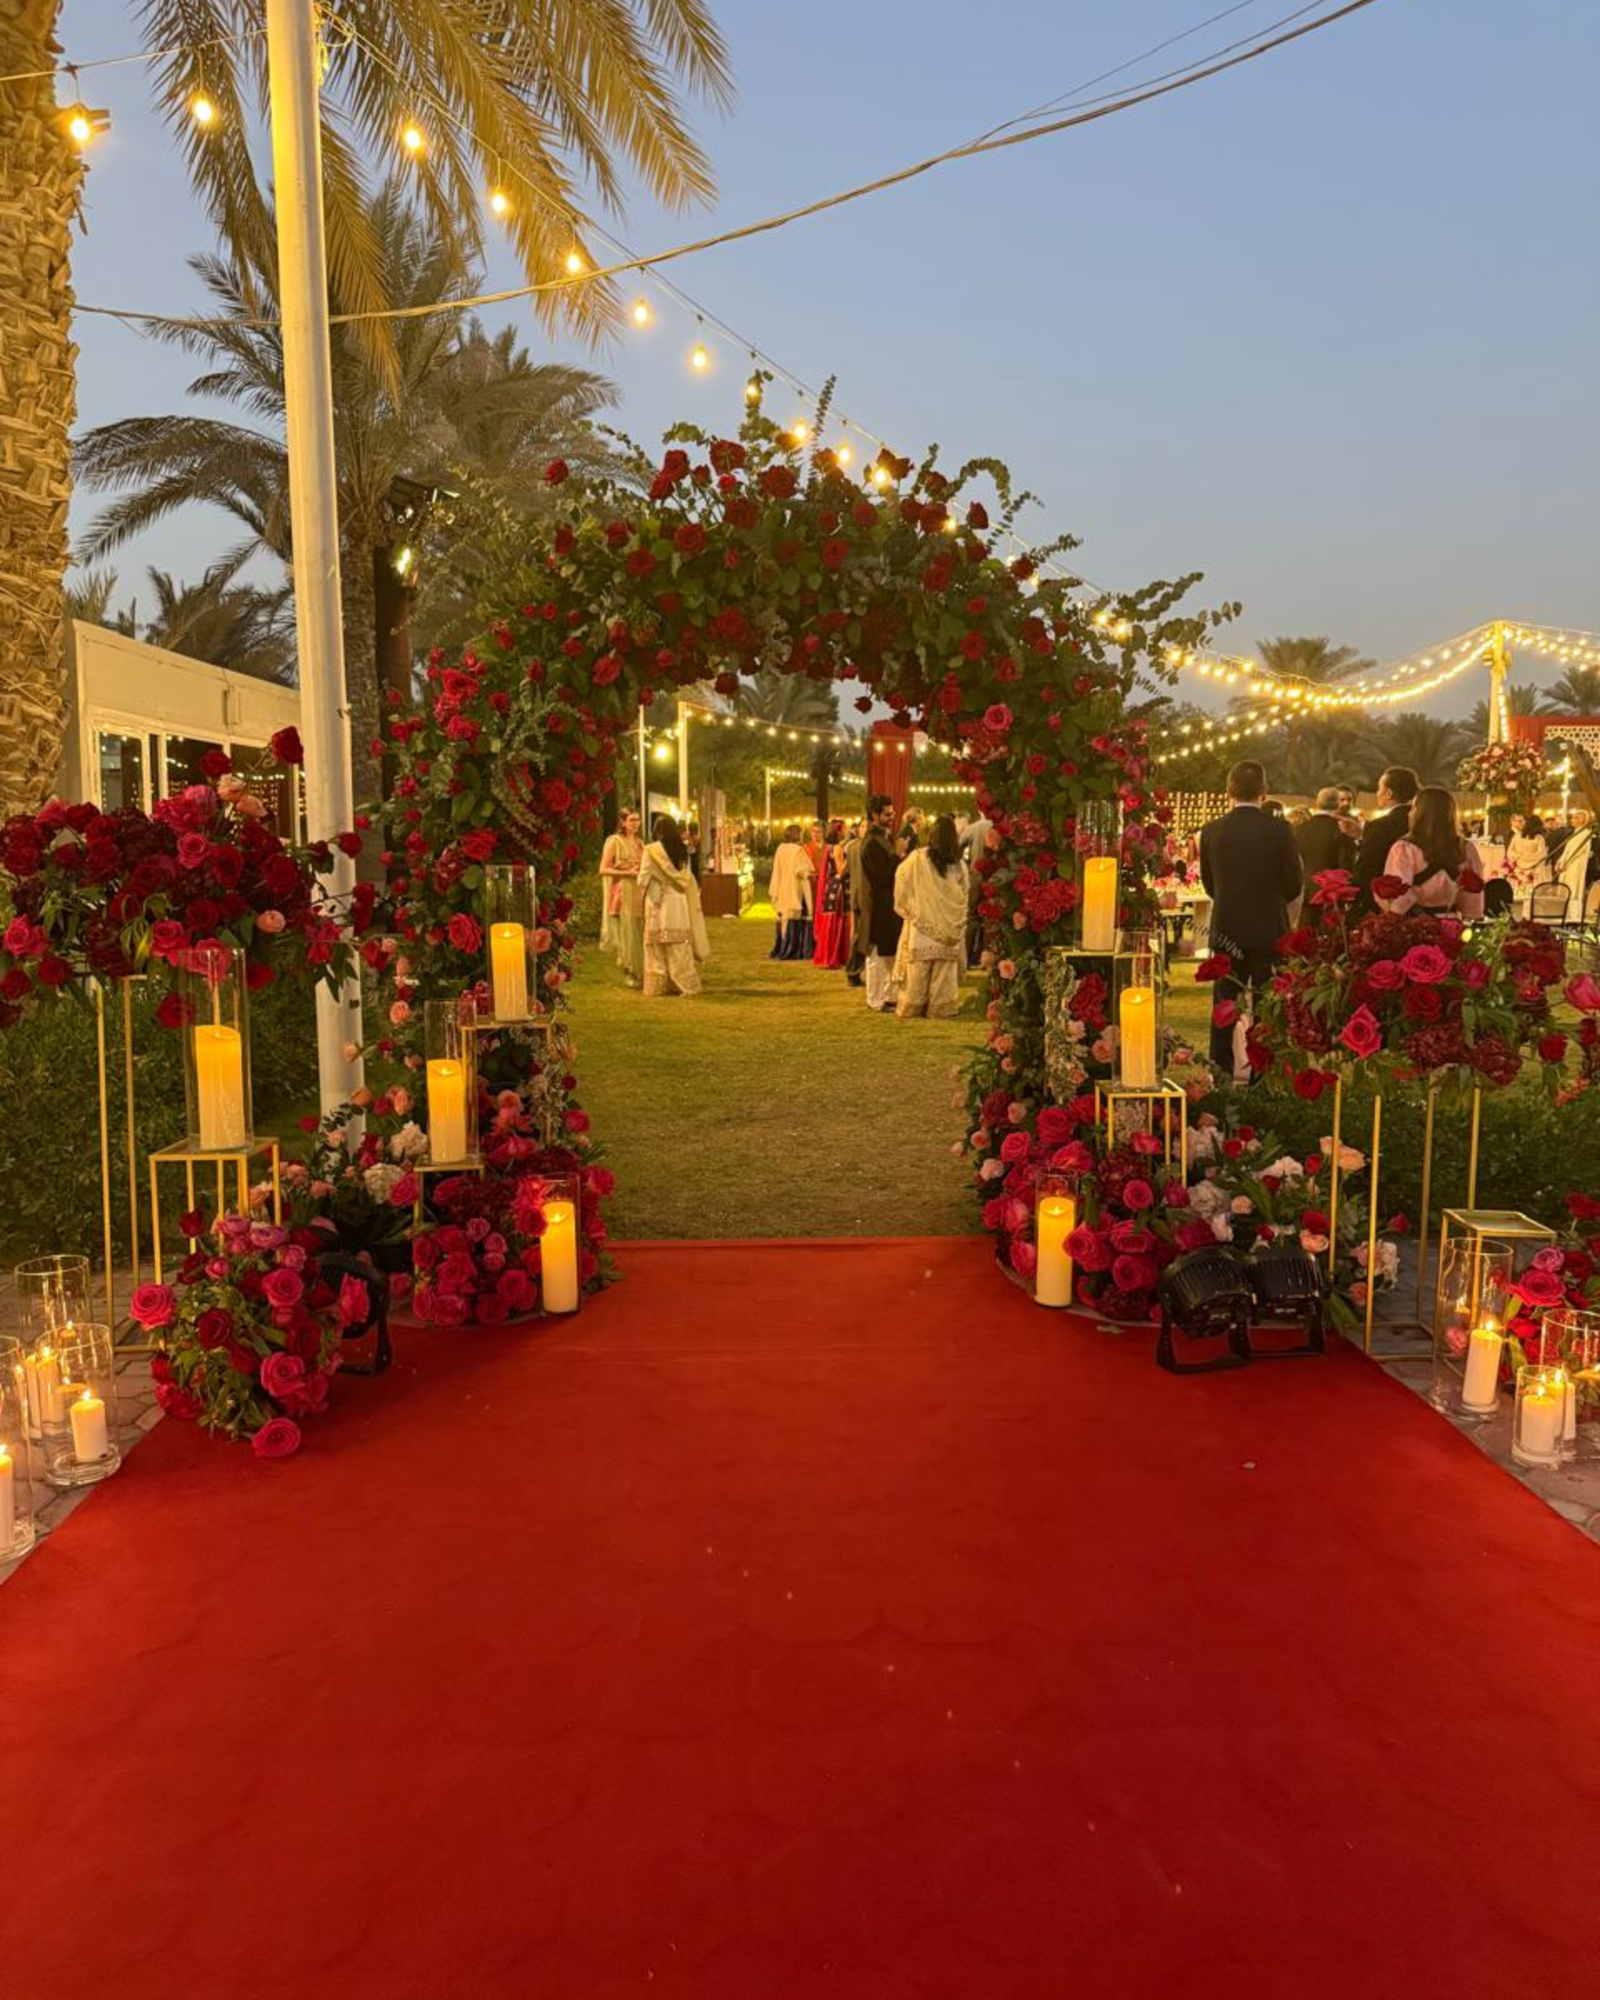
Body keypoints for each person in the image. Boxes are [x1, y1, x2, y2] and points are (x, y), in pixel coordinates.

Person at [1198, 761, 1303, 1076]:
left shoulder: (1212, 830)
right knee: (1267, 1008)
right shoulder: (1279, 830)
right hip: (1269, 928)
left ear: (1228, 791)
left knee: (1222, 1006)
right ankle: (1263, 1075)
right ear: (1264, 791)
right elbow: (1294, 883)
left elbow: (1209, 883)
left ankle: (1219, 1071)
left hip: (1227, 925)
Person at [893, 815, 969, 1019]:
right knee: (943, 975)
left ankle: (913, 1008)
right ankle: (940, 1008)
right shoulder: (959, 864)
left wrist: (911, 909)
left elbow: (901, 880)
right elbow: (965, 892)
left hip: (921, 928)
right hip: (949, 929)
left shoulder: (917, 858)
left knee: (918, 973)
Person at [1375, 786, 1485, 919]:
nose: (1409, 813)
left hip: (1416, 926)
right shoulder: (1466, 848)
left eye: (1414, 808)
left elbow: (1398, 900)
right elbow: (1473, 901)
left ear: (1420, 813)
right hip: (1452, 925)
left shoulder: (1404, 849)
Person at [638, 815, 709, 997]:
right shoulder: (682, 850)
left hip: (657, 900)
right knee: (679, 944)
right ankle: (686, 984)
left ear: (657, 831)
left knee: (656, 945)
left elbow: (643, 877)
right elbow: (687, 877)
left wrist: (639, 902)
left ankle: (659, 985)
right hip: (677, 900)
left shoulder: (651, 850)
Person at [857, 793, 904, 1012]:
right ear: (874, 816)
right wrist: (897, 855)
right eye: (886, 814)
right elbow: (883, 877)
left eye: (892, 813)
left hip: (887, 904)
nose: (891, 817)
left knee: (889, 953)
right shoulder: (871, 843)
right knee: (876, 955)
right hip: (878, 905)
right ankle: (875, 1000)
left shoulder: (881, 838)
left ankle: (888, 996)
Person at [1354, 766, 1418, 912]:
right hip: (1419, 901)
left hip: (1384, 902)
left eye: (1379, 789)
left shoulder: (1380, 826)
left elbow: (1367, 867)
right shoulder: (1422, 823)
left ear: (1388, 793)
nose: (1377, 794)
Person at [598, 808, 645, 989]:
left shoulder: (640, 843)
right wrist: (626, 872)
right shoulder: (614, 841)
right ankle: (629, 971)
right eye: (631, 820)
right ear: (623, 822)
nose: (635, 824)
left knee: (638, 931)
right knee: (626, 934)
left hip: (638, 893)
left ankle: (640, 969)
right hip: (622, 893)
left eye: (637, 820)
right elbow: (603, 869)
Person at [767, 826, 815, 959]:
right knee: (794, 917)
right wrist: (810, 875)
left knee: (783, 919)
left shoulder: (780, 848)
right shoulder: (797, 850)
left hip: (782, 886)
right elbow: (801, 871)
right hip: (794, 887)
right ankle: (792, 949)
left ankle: (782, 946)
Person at [811, 822, 852, 969]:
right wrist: (852, 859)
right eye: (845, 829)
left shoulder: (828, 848)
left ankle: (828, 954)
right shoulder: (837, 848)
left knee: (831, 922)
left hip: (831, 887)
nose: (848, 831)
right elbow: (841, 870)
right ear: (840, 832)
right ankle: (834, 955)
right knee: (837, 921)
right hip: (838, 888)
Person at [1295, 786, 1358, 879]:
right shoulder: (1344, 829)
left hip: (1307, 885)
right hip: (1332, 888)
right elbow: (1347, 863)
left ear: (1317, 803)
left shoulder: (1300, 829)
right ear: (1337, 804)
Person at [1507, 814, 1551, 899]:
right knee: (1530, 896)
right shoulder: (1539, 838)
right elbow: (1542, 854)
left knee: (1518, 894)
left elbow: (1510, 851)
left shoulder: (1517, 836)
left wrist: (1518, 857)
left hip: (1518, 869)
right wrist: (1530, 860)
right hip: (1533, 870)